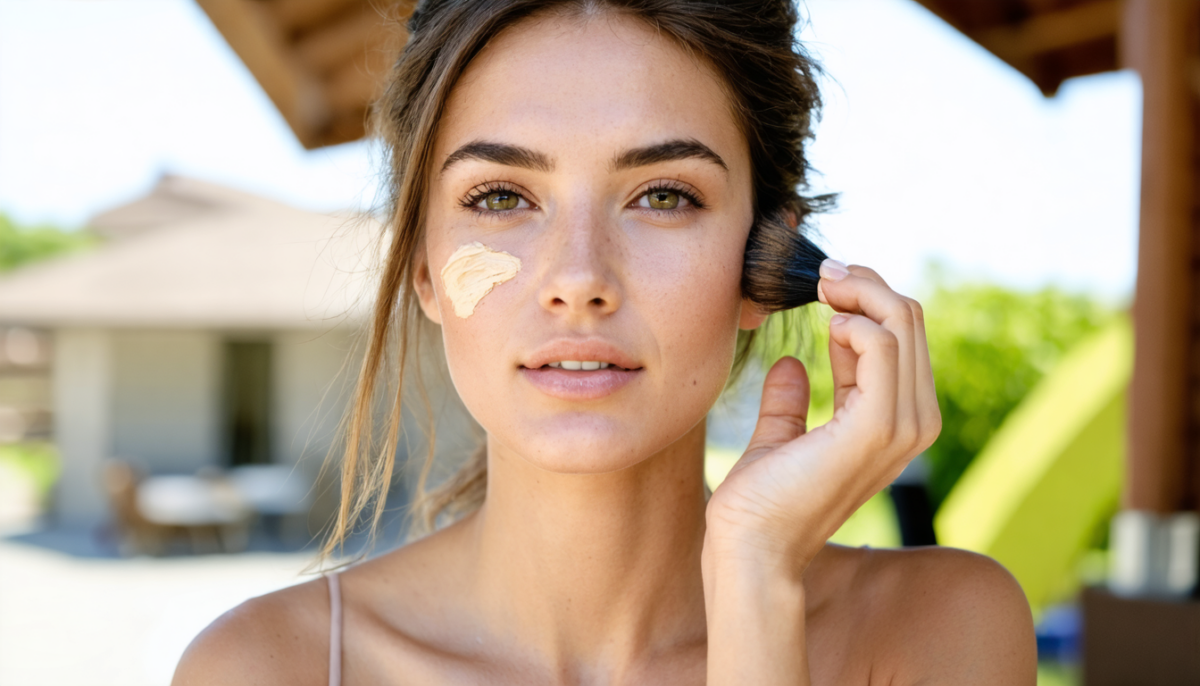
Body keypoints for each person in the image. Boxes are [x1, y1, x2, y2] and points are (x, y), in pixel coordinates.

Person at [174, 0, 1036, 683]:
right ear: (423, 270)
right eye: (503, 196)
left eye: (662, 195)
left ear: (766, 260)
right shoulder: (262, 670)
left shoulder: (940, 633)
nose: (579, 275)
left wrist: (756, 578)